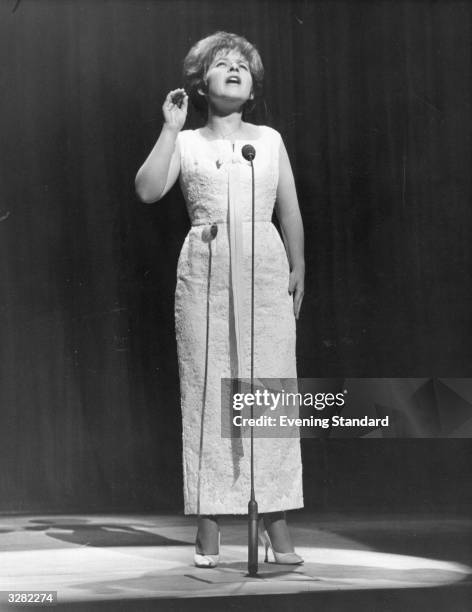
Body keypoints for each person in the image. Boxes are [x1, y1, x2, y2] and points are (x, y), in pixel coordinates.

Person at [135, 32, 305, 567]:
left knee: (268, 390)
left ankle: (275, 519)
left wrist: (300, 265)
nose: (233, 70)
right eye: (221, 64)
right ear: (201, 83)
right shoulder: (186, 142)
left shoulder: (270, 139)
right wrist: (169, 129)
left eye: (242, 66)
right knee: (209, 387)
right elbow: (146, 190)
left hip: (263, 265)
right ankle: (208, 521)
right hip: (206, 269)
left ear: (252, 86)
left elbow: (289, 208)